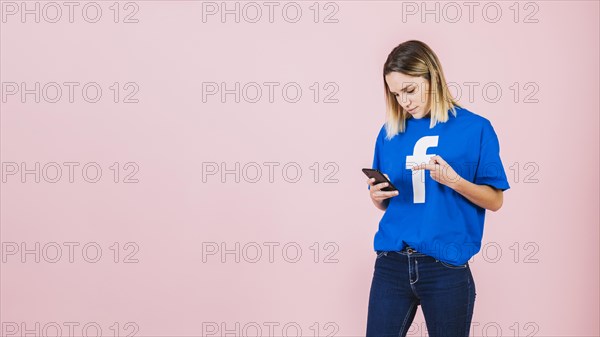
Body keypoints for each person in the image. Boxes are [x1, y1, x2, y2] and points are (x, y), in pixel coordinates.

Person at [365, 40, 510, 337]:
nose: (404, 101)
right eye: (395, 94)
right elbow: (394, 202)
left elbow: (495, 201)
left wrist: (454, 181)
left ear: (432, 77)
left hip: (445, 265)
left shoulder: (475, 128)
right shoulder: (390, 132)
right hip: (391, 262)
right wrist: (377, 197)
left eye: (410, 90)